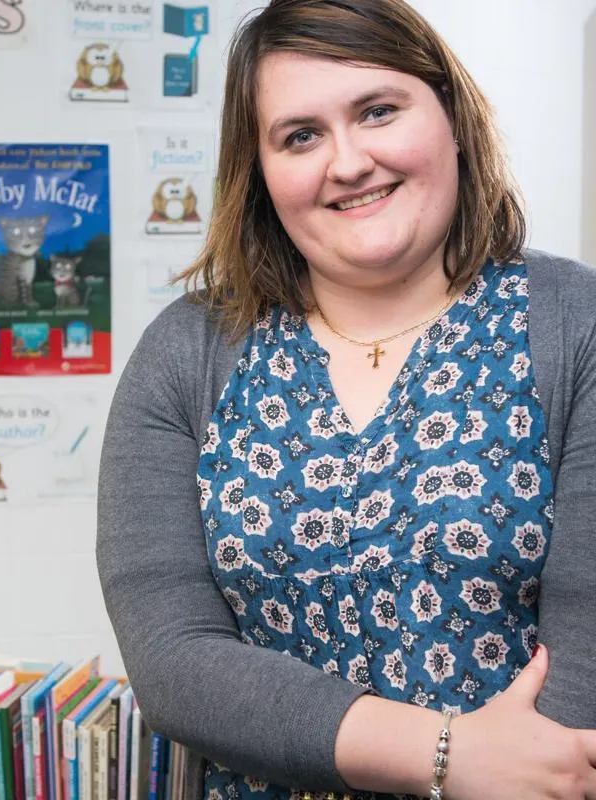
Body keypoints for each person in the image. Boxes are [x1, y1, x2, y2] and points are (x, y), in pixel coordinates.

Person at [97, 1, 596, 798]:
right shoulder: (185, 353)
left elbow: (588, 658)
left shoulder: (576, 326)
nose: (349, 161)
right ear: (258, 171)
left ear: (452, 117)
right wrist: (444, 755)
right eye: (301, 135)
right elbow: (173, 661)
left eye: (378, 111)